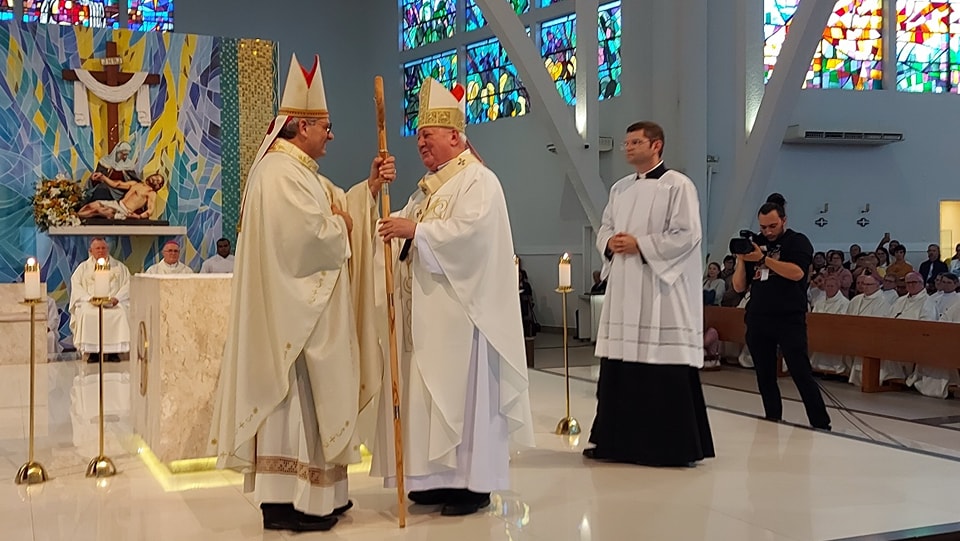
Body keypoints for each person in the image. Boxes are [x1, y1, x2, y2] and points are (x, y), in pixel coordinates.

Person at [209, 53, 394, 533]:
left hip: (310, 317)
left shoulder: (297, 172)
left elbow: (337, 204)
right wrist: (341, 226)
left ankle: (320, 494)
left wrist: (367, 190)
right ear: (302, 126)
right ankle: (286, 504)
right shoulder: (278, 173)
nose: (330, 136)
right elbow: (306, 240)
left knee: (312, 407)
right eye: (325, 127)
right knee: (293, 407)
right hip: (292, 325)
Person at [373, 77, 535, 515]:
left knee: (464, 400)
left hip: (465, 321)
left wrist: (419, 232)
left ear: (455, 136)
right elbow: (394, 230)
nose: (421, 141)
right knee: (428, 399)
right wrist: (381, 209)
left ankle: (473, 484)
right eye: (419, 134)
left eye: (430, 134)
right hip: (426, 321)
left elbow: (475, 238)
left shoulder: (478, 182)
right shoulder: (426, 189)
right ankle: (436, 479)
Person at [581, 120, 714, 467]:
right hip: (625, 289)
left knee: (661, 368)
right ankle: (613, 441)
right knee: (620, 368)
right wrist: (609, 242)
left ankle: (670, 448)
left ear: (656, 145)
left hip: (659, 293)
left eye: (635, 142)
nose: (627, 148)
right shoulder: (620, 189)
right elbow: (606, 226)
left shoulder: (678, 186)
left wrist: (641, 244)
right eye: (626, 142)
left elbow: (688, 235)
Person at [732, 193, 831, 431]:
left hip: (789, 318)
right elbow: (738, 286)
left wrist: (764, 258)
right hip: (758, 317)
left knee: (799, 371)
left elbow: (797, 272)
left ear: (784, 220)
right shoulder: (755, 243)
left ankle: (820, 422)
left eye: (773, 226)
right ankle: (772, 417)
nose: (767, 231)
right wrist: (741, 258)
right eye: (763, 227)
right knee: (764, 374)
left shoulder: (797, 241)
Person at [69, 237, 131, 363]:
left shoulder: (119, 267)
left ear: (108, 249)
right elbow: (76, 286)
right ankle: (93, 352)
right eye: (97, 248)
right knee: (87, 314)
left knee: (121, 313)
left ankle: (114, 351)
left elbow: (128, 284)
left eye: (103, 248)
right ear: (91, 251)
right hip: (91, 303)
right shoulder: (83, 268)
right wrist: (89, 299)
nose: (101, 251)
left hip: (113, 303)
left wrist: (117, 298)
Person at [77, 173, 164, 220]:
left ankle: (75, 217)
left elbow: (150, 210)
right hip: (117, 204)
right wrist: (103, 177)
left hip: (124, 211)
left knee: (99, 210)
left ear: (158, 186)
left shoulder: (151, 193)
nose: (155, 180)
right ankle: (74, 216)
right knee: (92, 205)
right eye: (156, 177)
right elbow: (117, 184)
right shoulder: (135, 184)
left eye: (157, 181)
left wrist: (139, 216)